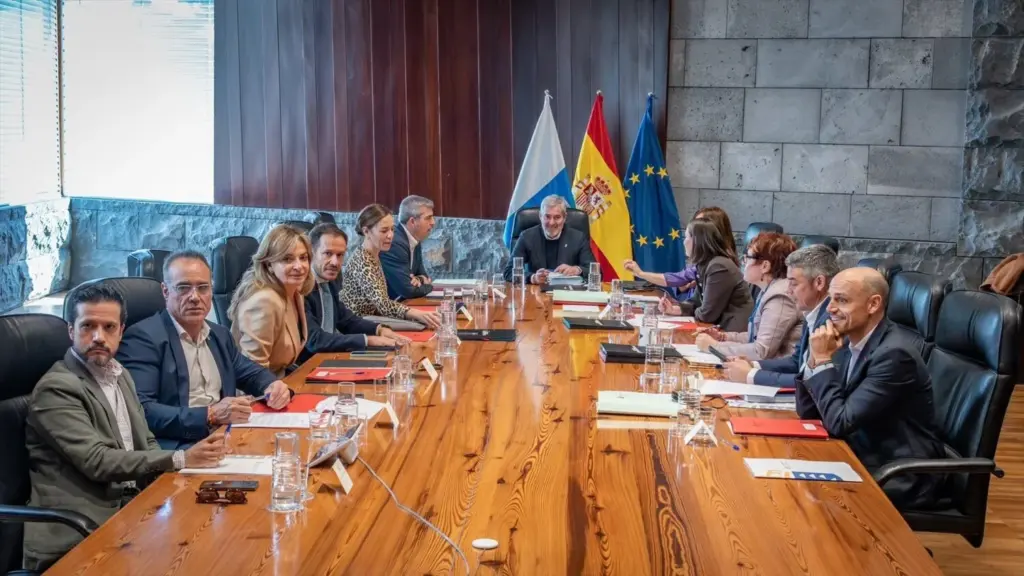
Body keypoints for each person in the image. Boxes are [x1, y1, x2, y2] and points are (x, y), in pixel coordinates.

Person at [23, 284, 226, 571]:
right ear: (71, 331)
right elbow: (98, 461)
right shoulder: (57, 388)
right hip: (79, 532)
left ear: (121, 331)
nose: (98, 337)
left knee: (214, 544)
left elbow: (146, 440)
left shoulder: (120, 375)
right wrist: (180, 458)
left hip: (133, 514)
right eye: (88, 326)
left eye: (109, 327)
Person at [118, 251, 292, 450]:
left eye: (203, 288)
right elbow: (142, 410)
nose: (195, 297)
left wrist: (272, 385)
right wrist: (210, 415)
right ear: (165, 291)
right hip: (179, 447)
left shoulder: (219, 335)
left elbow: (250, 373)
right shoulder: (143, 338)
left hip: (225, 437)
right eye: (183, 288)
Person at [803, 267, 945, 508]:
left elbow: (839, 422)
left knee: (802, 496)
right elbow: (808, 411)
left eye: (842, 300)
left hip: (897, 473)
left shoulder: (894, 355)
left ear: (873, 304)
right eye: (831, 299)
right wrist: (813, 361)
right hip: (858, 454)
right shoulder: (847, 342)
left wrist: (824, 360)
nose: (830, 309)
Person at [722, 244, 839, 385]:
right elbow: (796, 362)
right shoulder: (812, 312)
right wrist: (753, 365)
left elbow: (812, 382)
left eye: (793, 284)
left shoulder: (834, 320)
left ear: (819, 282)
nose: (788, 291)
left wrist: (751, 375)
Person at [301, 223, 412, 362]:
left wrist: (379, 329)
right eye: (328, 253)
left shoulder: (330, 279)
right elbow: (315, 340)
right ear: (311, 253)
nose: (335, 262)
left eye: (340, 255)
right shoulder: (301, 287)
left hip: (328, 356)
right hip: (305, 364)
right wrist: (368, 340)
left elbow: (346, 320)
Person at [695, 232, 801, 360]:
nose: (743, 262)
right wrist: (722, 337)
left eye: (748, 257)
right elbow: (755, 337)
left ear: (765, 266)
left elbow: (761, 351)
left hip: (774, 369)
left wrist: (714, 346)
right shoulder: (769, 290)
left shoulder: (780, 297)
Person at [228, 224, 313, 376]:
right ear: (269, 265)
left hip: (281, 379)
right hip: (260, 387)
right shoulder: (263, 301)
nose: (299, 266)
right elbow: (253, 370)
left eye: (303, 258)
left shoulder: (294, 291)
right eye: (287, 259)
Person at [340, 204, 442, 328]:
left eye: (392, 229)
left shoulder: (374, 254)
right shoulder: (363, 260)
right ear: (366, 231)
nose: (390, 235)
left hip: (372, 320)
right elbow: (383, 305)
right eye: (384, 231)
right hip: (358, 325)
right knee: (422, 324)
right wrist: (417, 314)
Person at [658, 218, 753, 331]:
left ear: (698, 241)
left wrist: (694, 310)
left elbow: (707, 314)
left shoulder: (719, 266)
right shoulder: (705, 264)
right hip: (719, 328)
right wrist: (674, 309)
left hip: (732, 331)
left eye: (687, 237)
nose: (684, 242)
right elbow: (696, 302)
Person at [625, 206, 737, 298]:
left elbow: (707, 310)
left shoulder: (720, 265)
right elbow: (680, 280)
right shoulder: (703, 260)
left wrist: (641, 274)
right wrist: (682, 287)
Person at [503, 194, 595, 284]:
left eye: (557, 217)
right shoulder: (527, 236)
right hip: (537, 291)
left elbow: (596, 272)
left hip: (567, 291)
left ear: (564, 218)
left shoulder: (578, 238)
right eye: (547, 217)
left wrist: (577, 270)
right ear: (540, 216)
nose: (551, 223)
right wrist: (533, 278)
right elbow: (508, 272)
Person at [380, 195, 436, 300]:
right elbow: (409, 291)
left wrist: (420, 279)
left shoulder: (415, 239)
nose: (433, 222)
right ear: (412, 221)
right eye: (428, 218)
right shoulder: (394, 243)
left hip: (402, 305)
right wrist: (430, 287)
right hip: (386, 308)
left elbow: (425, 276)